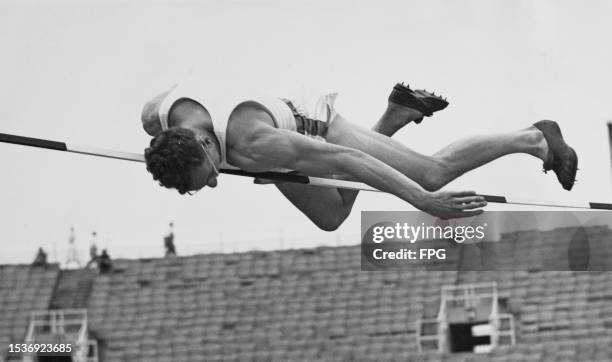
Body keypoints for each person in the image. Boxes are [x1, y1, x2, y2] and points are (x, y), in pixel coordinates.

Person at [141, 82, 577, 230]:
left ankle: (533, 137)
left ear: (202, 144)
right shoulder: (156, 118)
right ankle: (397, 112)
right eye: (208, 184)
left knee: (430, 175)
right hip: (275, 138)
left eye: (212, 171)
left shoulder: (256, 145)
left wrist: (424, 204)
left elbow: (351, 160)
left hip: (315, 127)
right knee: (332, 218)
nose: (218, 180)